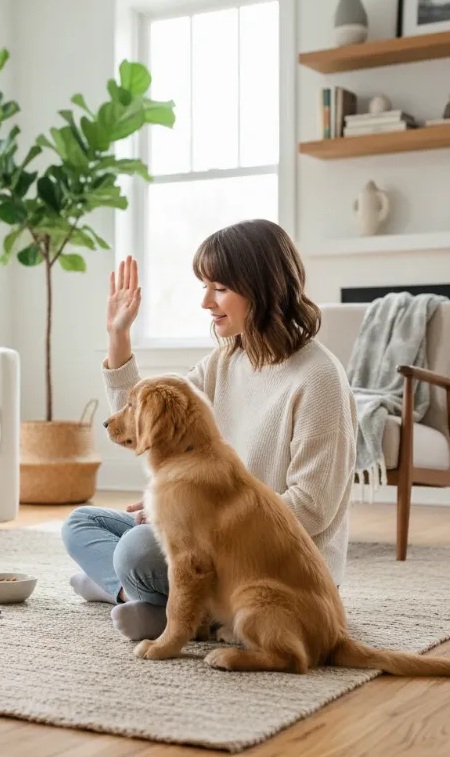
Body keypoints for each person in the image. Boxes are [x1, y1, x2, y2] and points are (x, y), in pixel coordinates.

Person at [61, 219, 357, 641]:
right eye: (205, 286)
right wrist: (118, 334)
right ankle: (136, 597)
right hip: (209, 542)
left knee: (136, 549)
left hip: (276, 574)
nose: (205, 302)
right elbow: (143, 418)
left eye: (219, 288)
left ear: (263, 287)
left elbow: (310, 509)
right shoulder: (225, 361)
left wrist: (195, 517)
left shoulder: (319, 377)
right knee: (81, 523)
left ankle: (153, 605)